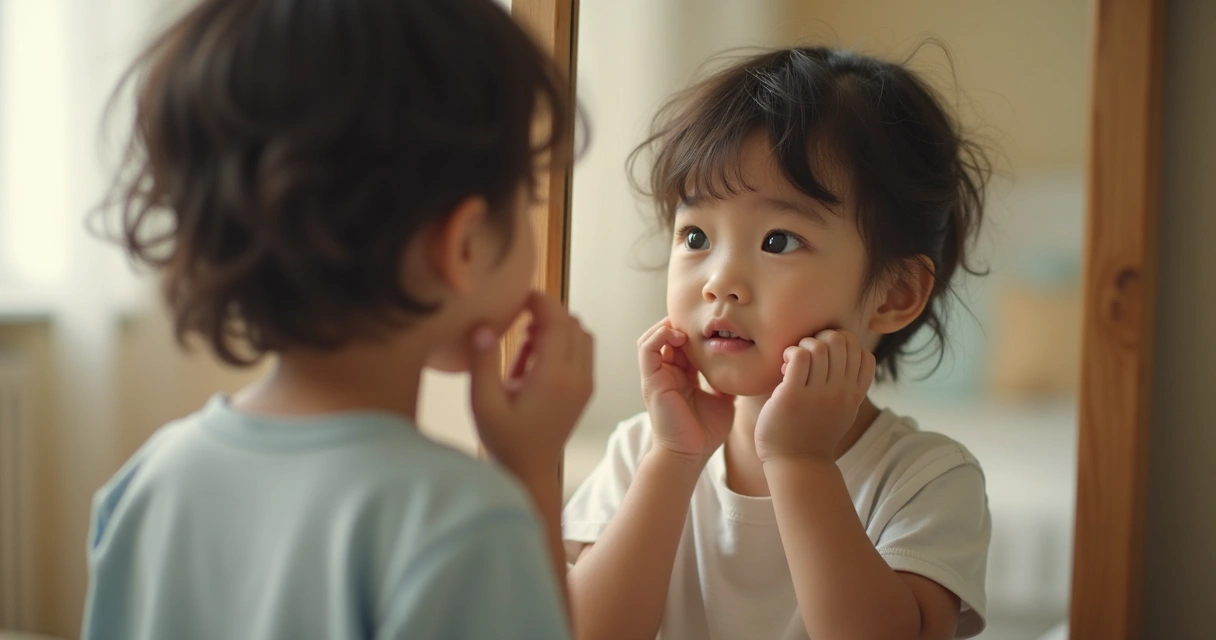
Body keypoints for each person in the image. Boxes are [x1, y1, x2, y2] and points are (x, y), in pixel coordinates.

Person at [81, 1, 591, 638]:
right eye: (529, 195)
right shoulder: (465, 521)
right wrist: (532, 475)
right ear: (462, 245)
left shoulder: (148, 484)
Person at [564, 46, 993, 640]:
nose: (719, 282)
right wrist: (674, 460)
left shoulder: (924, 478)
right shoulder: (642, 452)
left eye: (778, 241)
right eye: (695, 235)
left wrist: (800, 461)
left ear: (894, 293)